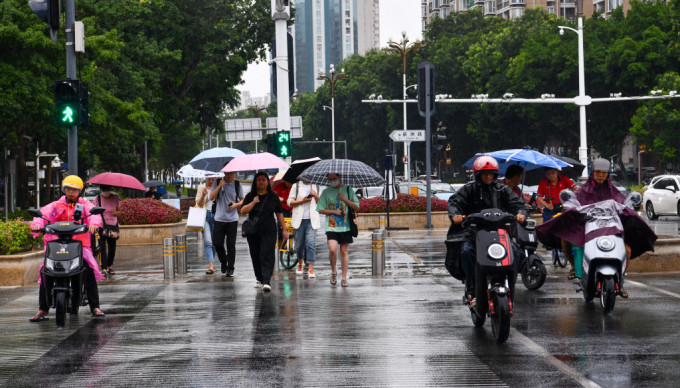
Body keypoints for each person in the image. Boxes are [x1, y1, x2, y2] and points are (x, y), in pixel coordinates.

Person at [538, 158, 657, 298]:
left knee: (627, 250)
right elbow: (573, 202)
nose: (601, 175)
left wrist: (628, 208)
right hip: (589, 228)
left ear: (608, 174)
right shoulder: (582, 190)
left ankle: (621, 282)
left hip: (610, 228)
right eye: (598, 172)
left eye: (604, 172)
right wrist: (572, 208)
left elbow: (623, 204)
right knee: (567, 240)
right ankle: (573, 267)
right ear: (592, 173)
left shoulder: (613, 191)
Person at [447, 156, 527, 307]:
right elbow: (454, 202)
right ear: (478, 174)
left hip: (500, 233)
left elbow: (518, 204)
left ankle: (510, 287)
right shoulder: (469, 189)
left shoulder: (502, 189)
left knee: (516, 253)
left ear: (496, 174)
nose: (488, 176)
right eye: (485, 173)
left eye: (491, 173)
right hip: (473, 234)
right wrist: (455, 215)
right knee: (466, 251)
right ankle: (472, 290)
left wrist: (521, 212)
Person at [29, 175, 105, 321]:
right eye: (68, 189)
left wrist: (94, 224)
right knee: (46, 270)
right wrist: (37, 224)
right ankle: (42, 309)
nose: (71, 192)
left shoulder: (85, 205)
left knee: (88, 269)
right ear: (63, 190)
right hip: (56, 244)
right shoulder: (56, 205)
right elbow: (42, 214)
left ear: (80, 191)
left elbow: (94, 215)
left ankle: (95, 307)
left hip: (80, 246)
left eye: (74, 189)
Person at [241, 172, 289, 291]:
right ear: (255, 182)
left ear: (267, 182)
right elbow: (242, 210)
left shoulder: (273, 196)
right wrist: (253, 202)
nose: (261, 182)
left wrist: (284, 229)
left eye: (263, 179)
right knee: (255, 255)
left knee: (266, 254)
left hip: (269, 231)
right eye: (259, 180)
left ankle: (267, 281)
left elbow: (279, 214)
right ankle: (259, 278)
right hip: (253, 232)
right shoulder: (250, 195)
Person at [316, 173, 360, 287]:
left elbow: (356, 207)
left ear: (339, 178)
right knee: (332, 249)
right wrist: (333, 212)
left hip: (346, 226)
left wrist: (344, 199)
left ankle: (344, 278)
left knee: (344, 251)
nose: (332, 181)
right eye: (330, 179)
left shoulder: (348, 190)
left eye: (334, 179)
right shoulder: (326, 192)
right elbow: (320, 209)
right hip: (331, 227)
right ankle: (334, 271)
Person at [536, 167, 578, 278]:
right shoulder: (542, 183)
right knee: (548, 224)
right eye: (548, 174)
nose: (551, 176)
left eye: (553, 173)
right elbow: (539, 197)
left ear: (557, 172)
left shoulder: (564, 179)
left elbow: (576, 188)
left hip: (563, 206)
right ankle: (549, 241)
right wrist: (546, 205)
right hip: (550, 207)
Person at [209, 170, 244, 277]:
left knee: (230, 245)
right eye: (226, 173)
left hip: (232, 220)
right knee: (217, 243)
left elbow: (243, 199)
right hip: (219, 218)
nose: (228, 176)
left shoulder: (237, 184)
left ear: (234, 173)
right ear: (223, 173)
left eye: (231, 173)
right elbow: (211, 197)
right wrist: (219, 186)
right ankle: (224, 261)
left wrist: (236, 204)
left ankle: (230, 268)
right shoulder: (217, 182)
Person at [287, 179, 321, 277]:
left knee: (310, 243)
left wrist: (315, 195)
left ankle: (310, 268)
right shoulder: (296, 185)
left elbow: (321, 203)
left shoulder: (316, 186)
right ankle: (300, 263)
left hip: (312, 219)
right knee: (299, 245)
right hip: (299, 219)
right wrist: (302, 201)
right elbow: (290, 202)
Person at [94, 185, 121, 277]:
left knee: (112, 247)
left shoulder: (115, 198)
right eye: (104, 189)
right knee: (102, 247)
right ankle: (104, 268)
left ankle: (110, 266)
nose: (106, 191)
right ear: (101, 189)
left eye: (108, 189)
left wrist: (116, 213)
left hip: (113, 226)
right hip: (101, 225)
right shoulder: (97, 199)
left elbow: (119, 212)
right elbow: (92, 211)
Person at [195, 176, 218, 274]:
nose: (211, 181)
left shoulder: (218, 187)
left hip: (217, 216)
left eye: (213, 179)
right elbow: (199, 204)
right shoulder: (201, 188)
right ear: (206, 178)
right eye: (209, 178)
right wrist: (203, 195)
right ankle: (211, 265)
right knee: (208, 241)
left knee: (215, 242)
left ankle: (212, 262)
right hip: (205, 216)